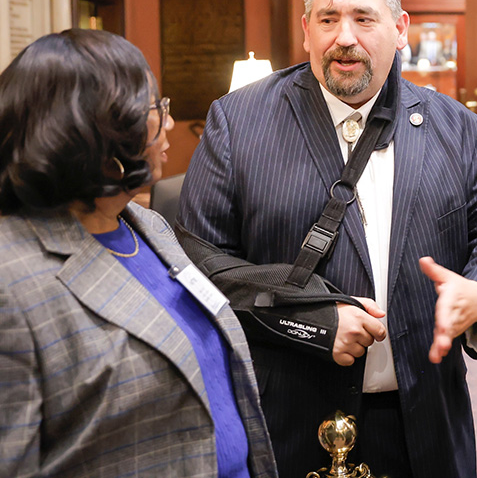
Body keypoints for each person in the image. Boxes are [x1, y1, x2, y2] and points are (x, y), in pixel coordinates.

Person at [178, 0, 477, 478]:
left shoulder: (457, 127)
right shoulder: (237, 122)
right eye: (328, 19)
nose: (344, 36)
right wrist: (312, 323)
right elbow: (196, 266)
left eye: (364, 18)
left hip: (424, 421)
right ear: (306, 31)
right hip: (291, 419)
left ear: (400, 28)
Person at [0, 30, 276, 477]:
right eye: (155, 109)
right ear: (90, 130)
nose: (170, 123)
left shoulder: (148, 225)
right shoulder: (12, 283)